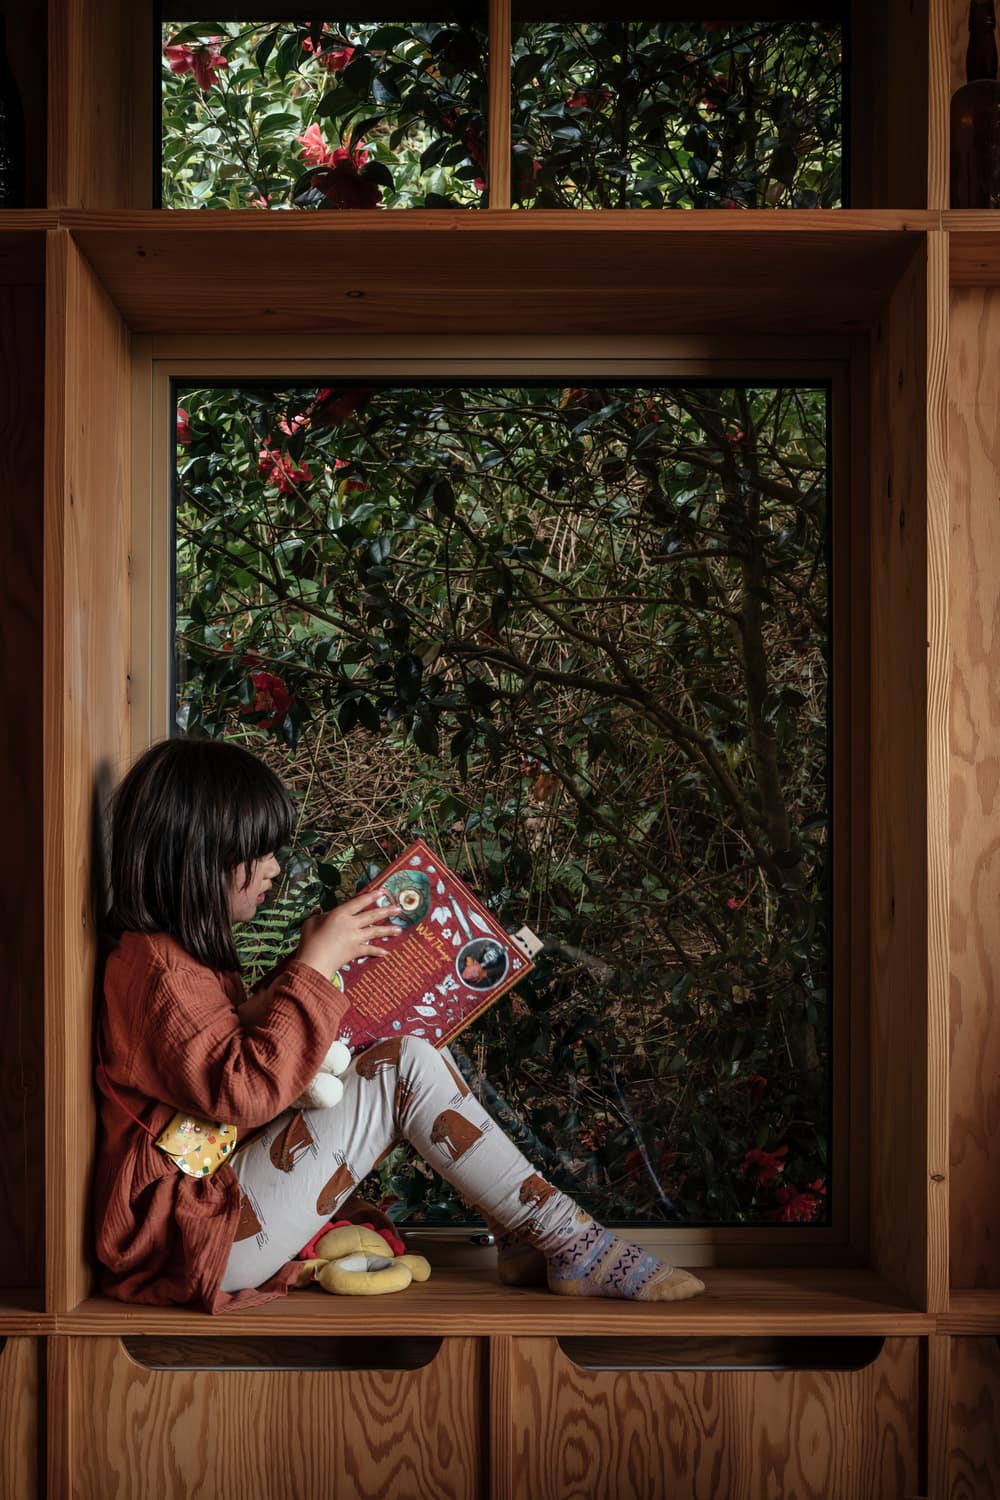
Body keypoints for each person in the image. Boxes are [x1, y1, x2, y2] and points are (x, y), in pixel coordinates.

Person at [94, 736, 706, 1313]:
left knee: (404, 1054)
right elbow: (244, 1090)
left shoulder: (173, 961)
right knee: (403, 1067)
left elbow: (222, 1052)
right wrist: (313, 970)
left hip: (208, 1216)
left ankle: (530, 1234)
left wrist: (305, 975)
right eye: (261, 853)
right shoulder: (157, 974)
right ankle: (566, 1241)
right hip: (191, 1238)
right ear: (203, 859)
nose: (277, 869)